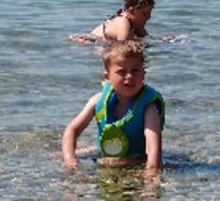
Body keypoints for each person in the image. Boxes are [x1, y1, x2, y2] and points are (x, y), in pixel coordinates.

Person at [62, 40, 164, 174]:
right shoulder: (99, 100)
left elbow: (153, 147)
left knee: (116, 163)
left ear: (143, 74)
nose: (129, 76)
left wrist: (152, 172)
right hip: (105, 153)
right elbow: (71, 130)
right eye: (121, 72)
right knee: (58, 156)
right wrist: (70, 159)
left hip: (136, 159)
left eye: (135, 70)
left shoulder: (149, 107)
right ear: (107, 77)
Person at [71, 0, 156, 43]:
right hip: (89, 46)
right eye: (144, 13)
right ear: (131, 11)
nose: (149, 17)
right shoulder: (123, 23)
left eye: (150, 13)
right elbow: (124, 49)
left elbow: (148, 41)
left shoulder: (135, 24)